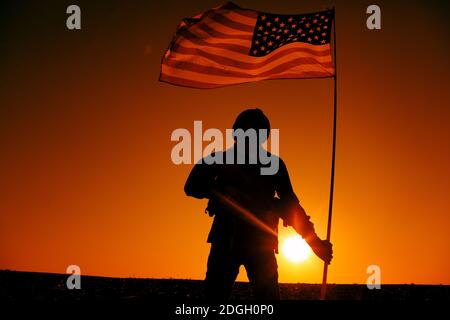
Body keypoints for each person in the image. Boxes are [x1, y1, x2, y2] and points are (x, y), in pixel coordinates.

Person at [184, 108, 333, 300]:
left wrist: (314, 243)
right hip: (229, 241)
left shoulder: (273, 165)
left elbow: (291, 207)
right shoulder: (219, 160)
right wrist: (221, 193)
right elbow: (191, 187)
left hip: (258, 243)